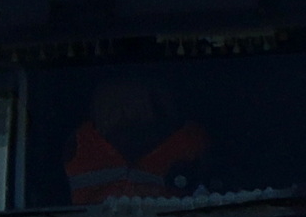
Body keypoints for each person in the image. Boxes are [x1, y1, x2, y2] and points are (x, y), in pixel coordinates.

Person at [65, 75, 208, 206]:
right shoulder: (76, 144)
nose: (122, 113)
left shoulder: (191, 140)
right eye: (111, 105)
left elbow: (218, 203)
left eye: (131, 103)